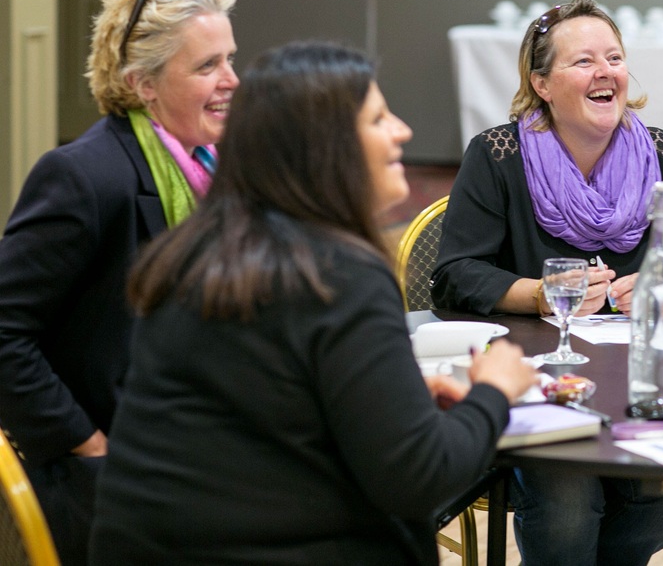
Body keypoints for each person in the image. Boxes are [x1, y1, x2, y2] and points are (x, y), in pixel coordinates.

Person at [89, 42, 537, 564]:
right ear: (325, 148)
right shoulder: (337, 274)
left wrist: (389, 393)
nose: (402, 131)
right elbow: (419, 479)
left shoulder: (195, 253)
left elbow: (258, 408)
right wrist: (494, 392)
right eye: (378, 118)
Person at [432, 0, 663, 566]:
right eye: (583, 61)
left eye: (613, 58)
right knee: (566, 494)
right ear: (541, 83)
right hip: (537, 385)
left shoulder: (661, 152)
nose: (605, 72)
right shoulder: (498, 155)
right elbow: (455, 274)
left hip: (642, 376)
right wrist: (536, 294)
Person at [0, 0, 238, 565]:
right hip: (111, 485)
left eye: (231, 59)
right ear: (143, 84)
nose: (232, 79)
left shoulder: (212, 170)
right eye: (208, 65)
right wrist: (87, 445)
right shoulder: (83, 176)